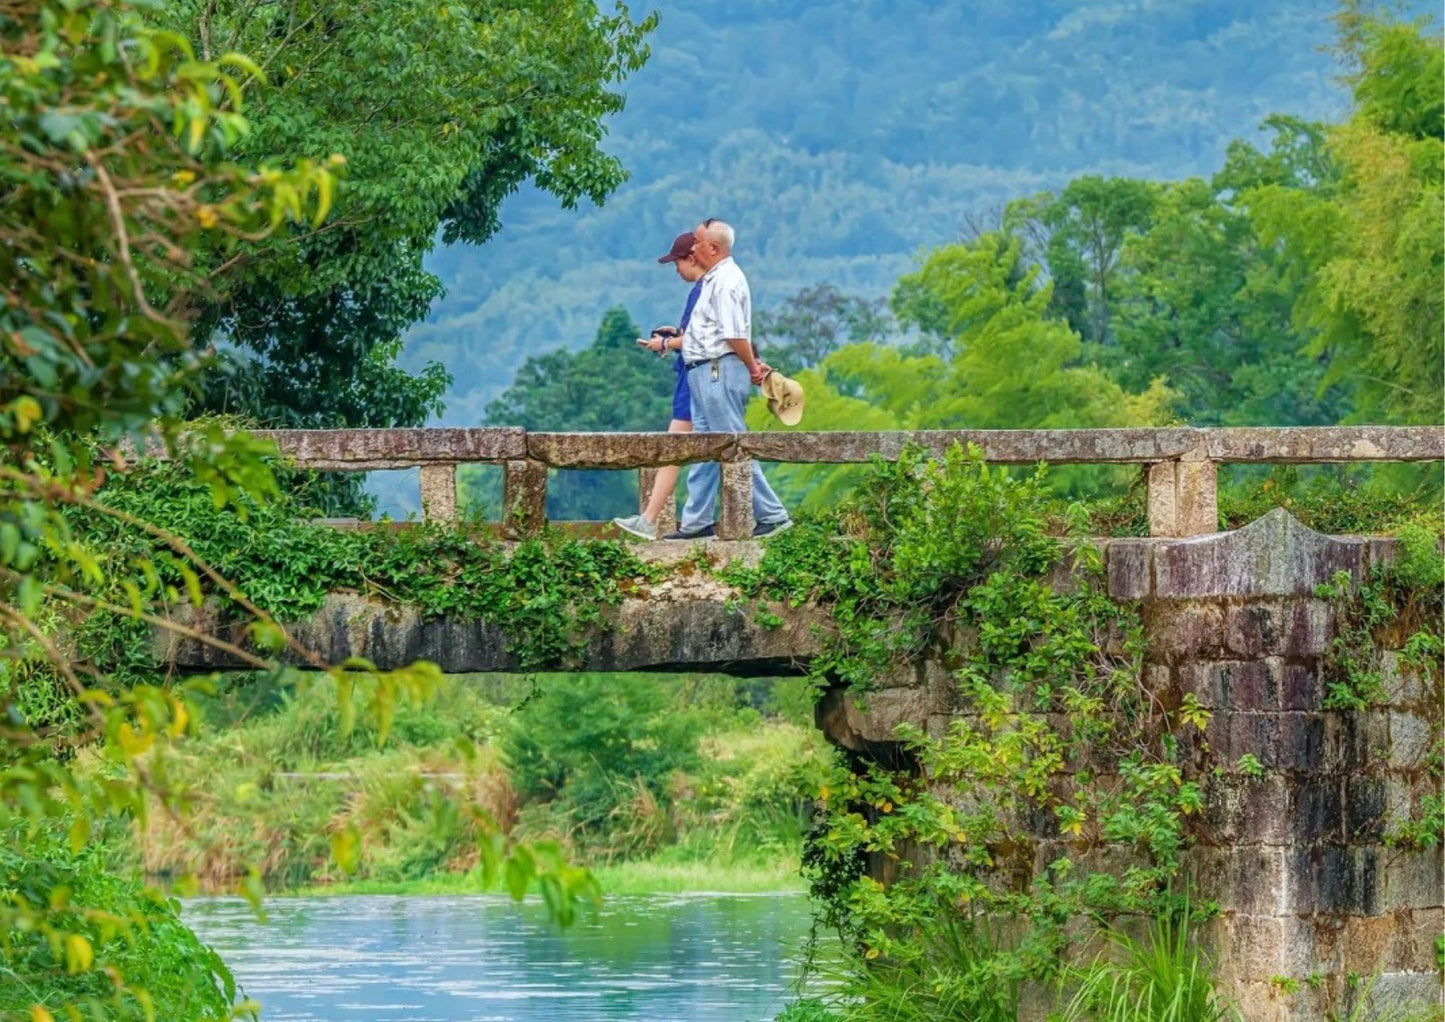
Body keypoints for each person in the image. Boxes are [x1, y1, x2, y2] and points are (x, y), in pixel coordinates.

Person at [664, 219, 791, 540]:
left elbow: (734, 334)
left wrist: (752, 367)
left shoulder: (726, 282)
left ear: (713, 248)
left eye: (697, 242)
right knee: (706, 447)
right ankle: (696, 523)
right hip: (705, 370)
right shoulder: (712, 280)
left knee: (732, 443)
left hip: (718, 369)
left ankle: (774, 516)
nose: (692, 248)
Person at [611, 232, 704, 541]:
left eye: (677, 262)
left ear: (692, 258)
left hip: (694, 379)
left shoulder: (705, 290)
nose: (677, 270)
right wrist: (675, 335)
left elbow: (700, 341)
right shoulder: (704, 290)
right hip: (692, 375)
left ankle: (653, 519)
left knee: (674, 448)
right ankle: (678, 520)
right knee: (687, 449)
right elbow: (694, 336)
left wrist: (666, 342)